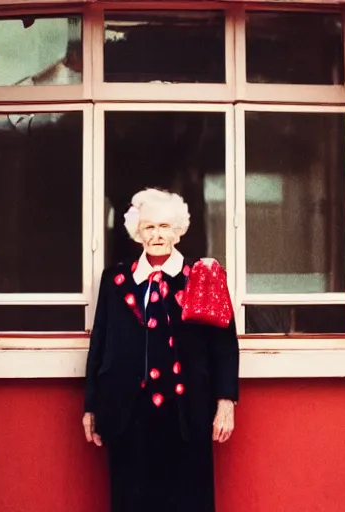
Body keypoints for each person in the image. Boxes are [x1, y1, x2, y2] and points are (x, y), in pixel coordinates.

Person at [82, 188, 240, 512]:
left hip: (186, 413)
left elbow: (223, 344)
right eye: (150, 226)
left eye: (165, 227)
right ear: (138, 231)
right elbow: (100, 342)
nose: (157, 235)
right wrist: (91, 406)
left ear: (178, 230)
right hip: (129, 414)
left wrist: (226, 403)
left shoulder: (200, 275)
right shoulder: (115, 279)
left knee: (187, 502)